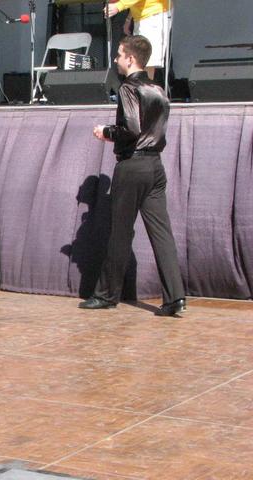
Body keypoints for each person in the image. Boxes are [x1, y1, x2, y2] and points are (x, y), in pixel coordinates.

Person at [79, 35, 185, 316]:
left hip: (133, 166)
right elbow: (156, 128)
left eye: (119, 55)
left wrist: (106, 131)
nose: (116, 60)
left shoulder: (128, 87)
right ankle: (175, 297)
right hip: (155, 167)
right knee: (162, 233)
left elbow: (132, 129)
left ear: (130, 59)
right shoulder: (158, 88)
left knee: (119, 232)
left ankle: (106, 295)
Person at [105, 0, 171, 80]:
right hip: (142, 17)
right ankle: (140, 88)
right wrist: (129, 19)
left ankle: (146, 90)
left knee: (146, 61)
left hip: (153, 15)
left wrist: (119, 5)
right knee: (139, 59)